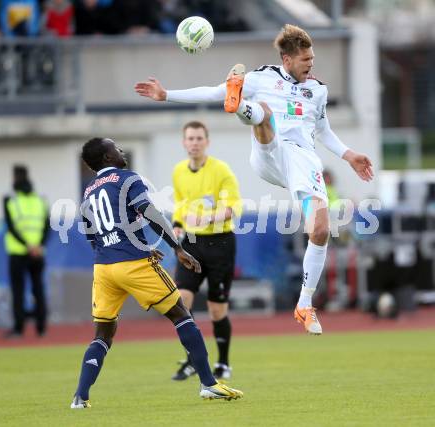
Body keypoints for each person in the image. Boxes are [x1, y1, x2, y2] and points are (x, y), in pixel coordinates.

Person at [135, 24, 374, 335]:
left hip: (301, 161)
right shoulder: (262, 78)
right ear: (287, 59)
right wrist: (167, 95)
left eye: (312, 59)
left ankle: (304, 304)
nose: (311, 64)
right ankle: (242, 106)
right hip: (268, 153)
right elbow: (212, 91)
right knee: (263, 112)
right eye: (306, 60)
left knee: (320, 228)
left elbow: (324, 131)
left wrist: (349, 155)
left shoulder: (318, 90)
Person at [71, 137, 243, 409]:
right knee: (180, 314)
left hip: (103, 268)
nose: (121, 149)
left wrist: (125, 249)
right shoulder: (127, 179)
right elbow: (149, 212)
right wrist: (178, 248)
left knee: (102, 333)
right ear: (106, 158)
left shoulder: (89, 190)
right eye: (115, 147)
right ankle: (209, 384)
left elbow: (92, 235)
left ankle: (80, 397)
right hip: (133, 264)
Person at [171, 121, 242, 381]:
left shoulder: (221, 171)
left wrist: (207, 219)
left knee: (216, 309)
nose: (194, 143)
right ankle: (193, 358)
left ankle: (223, 363)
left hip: (220, 244)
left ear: (207, 142)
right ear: (184, 142)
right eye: (190, 138)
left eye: (199, 138)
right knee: (181, 301)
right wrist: (178, 225)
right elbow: (180, 204)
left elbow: (233, 208)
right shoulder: (178, 171)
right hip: (191, 244)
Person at [3, 165, 50, 337]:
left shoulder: (10, 200)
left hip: (18, 252)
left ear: (15, 179)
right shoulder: (40, 200)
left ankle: (18, 328)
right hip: (38, 253)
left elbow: (11, 227)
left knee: (18, 291)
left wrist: (27, 245)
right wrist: (38, 246)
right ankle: (41, 328)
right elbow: (46, 227)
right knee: (38, 289)